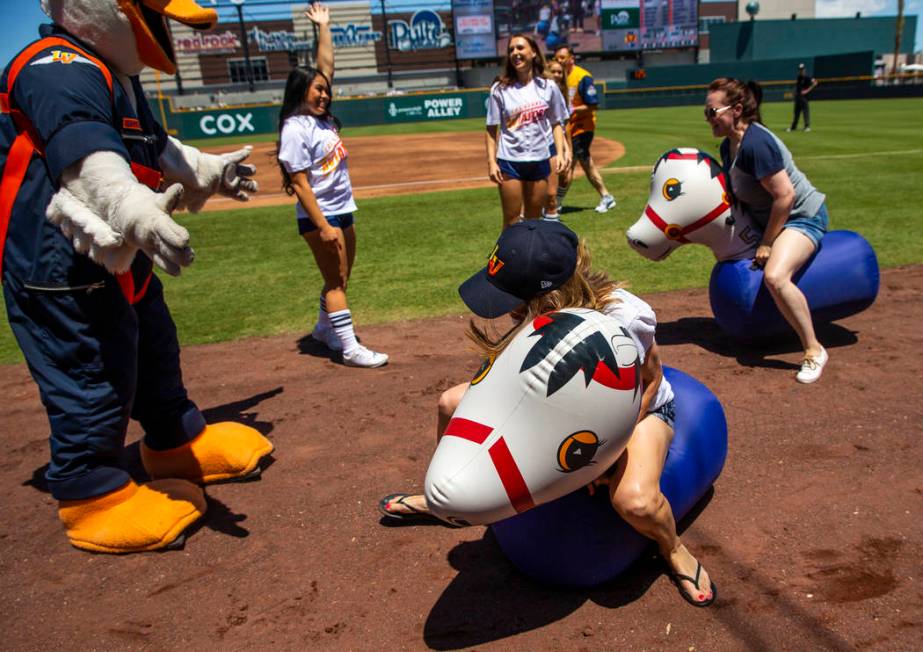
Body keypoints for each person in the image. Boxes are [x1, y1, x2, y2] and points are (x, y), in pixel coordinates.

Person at [378, 220, 716, 607]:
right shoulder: (534, 314)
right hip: (553, 409)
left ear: (549, 294)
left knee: (635, 501)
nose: (507, 311)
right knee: (449, 404)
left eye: (513, 299)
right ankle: (443, 501)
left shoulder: (625, 317)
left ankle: (672, 547)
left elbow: (652, 381)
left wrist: (604, 457)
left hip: (638, 412)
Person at [277, 3, 387, 368]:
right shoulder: (295, 127)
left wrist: (324, 26)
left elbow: (326, 67)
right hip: (320, 216)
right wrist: (323, 226)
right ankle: (349, 347)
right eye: (316, 91)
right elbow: (299, 184)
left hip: (343, 210)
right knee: (336, 282)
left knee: (339, 277)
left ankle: (325, 329)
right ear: (299, 92)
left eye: (325, 91)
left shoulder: (322, 121)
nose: (323, 95)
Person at [705, 78, 830, 383]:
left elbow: (785, 196)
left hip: (802, 217)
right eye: (705, 112)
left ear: (736, 110)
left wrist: (766, 243)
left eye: (712, 111)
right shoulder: (728, 146)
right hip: (772, 220)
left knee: (775, 277)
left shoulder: (756, 144)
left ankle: (814, 350)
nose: (708, 118)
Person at [485, 34, 569, 229]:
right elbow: (491, 129)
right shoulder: (500, 89)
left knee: (533, 223)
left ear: (533, 53)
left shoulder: (548, 87)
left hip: (539, 160)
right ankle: (503, 260)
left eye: (520, 48)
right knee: (511, 221)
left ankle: (529, 260)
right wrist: (491, 162)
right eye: (511, 49)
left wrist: (561, 153)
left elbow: (557, 123)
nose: (515, 53)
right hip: (510, 161)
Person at [552, 44, 616, 213]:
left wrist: (572, 110)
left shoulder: (582, 77)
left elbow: (593, 105)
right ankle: (606, 196)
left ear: (571, 58)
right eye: (557, 58)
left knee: (570, 164)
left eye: (562, 58)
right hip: (569, 127)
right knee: (584, 163)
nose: (559, 61)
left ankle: (556, 203)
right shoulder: (558, 77)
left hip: (582, 126)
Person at [542, 58, 573, 221]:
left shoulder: (563, 93)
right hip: (546, 139)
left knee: (566, 176)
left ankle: (554, 206)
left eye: (559, 72)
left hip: (559, 137)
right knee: (547, 180)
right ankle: (548, 209)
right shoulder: (542, 90)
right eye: (553, 71)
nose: (556, 74)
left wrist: (568, 149)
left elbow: (565, 124)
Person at [787, 63, 817, 132]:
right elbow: (797, 86)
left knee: (805, 112)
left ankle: (807, 127)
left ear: (804, 69)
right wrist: (795, 92)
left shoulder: (808, 77)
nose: (801, 71)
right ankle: (793, 127)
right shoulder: (799, 77)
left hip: (804, 97)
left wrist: (807, 91)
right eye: (800, 69)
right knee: (796, 113)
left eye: (802, 69)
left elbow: (815, 83)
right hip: (798, 97)